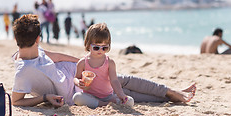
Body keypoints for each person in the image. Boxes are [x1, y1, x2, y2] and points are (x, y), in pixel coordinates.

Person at [11, 14, 196, 107]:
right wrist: (44, 98)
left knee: (126, 80)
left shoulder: (36, 51)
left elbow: (58, 57)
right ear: (38, 39)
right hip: (79, 89)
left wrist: (87, 62)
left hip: (84, 73)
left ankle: (171, 91)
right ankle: (170, 96)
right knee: (126, 92)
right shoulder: (23, 72)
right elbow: (16, 101)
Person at [72, 23, 134, 109]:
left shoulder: (110, 62)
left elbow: (114, 81)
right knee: (77, 97)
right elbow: (76, 78)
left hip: (108, 97)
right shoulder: (82, 62)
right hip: (89, 96)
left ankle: (101, 103)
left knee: (130, 101)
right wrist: (78, 82)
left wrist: (120, 94)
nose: (100, 50)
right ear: (88, 44)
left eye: (104, 48)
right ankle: (103, 104)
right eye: (96, 47)